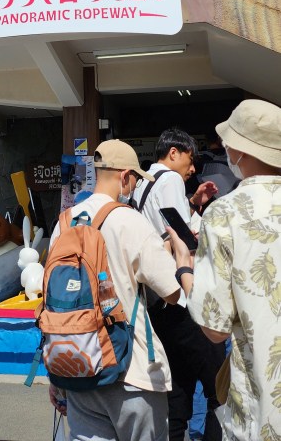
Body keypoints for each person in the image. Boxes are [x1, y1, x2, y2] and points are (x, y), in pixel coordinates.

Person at [49, 139, 181, 441]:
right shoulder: (131, 221)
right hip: (131, 371)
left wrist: (57, 378)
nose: (133, 187)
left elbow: (54, 300)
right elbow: (173, 291)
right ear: (124, 176)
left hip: (78, 369)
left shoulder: (63, 224)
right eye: (134, 179)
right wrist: (176, 255)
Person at [168, 98, 281, 441]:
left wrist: (184, 269)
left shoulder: (225, 213)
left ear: (240, 152)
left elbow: (215, 329)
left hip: (263, 404)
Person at [132, 127, 225, 441]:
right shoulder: (170, 179)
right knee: (219, 390)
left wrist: (193, 204)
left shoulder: (142, 186)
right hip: (184, 299)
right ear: (173, 153)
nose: (193, 168)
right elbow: (181, 236)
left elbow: (164, 226)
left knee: (178, 393)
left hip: (158, 304)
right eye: (190, 158)